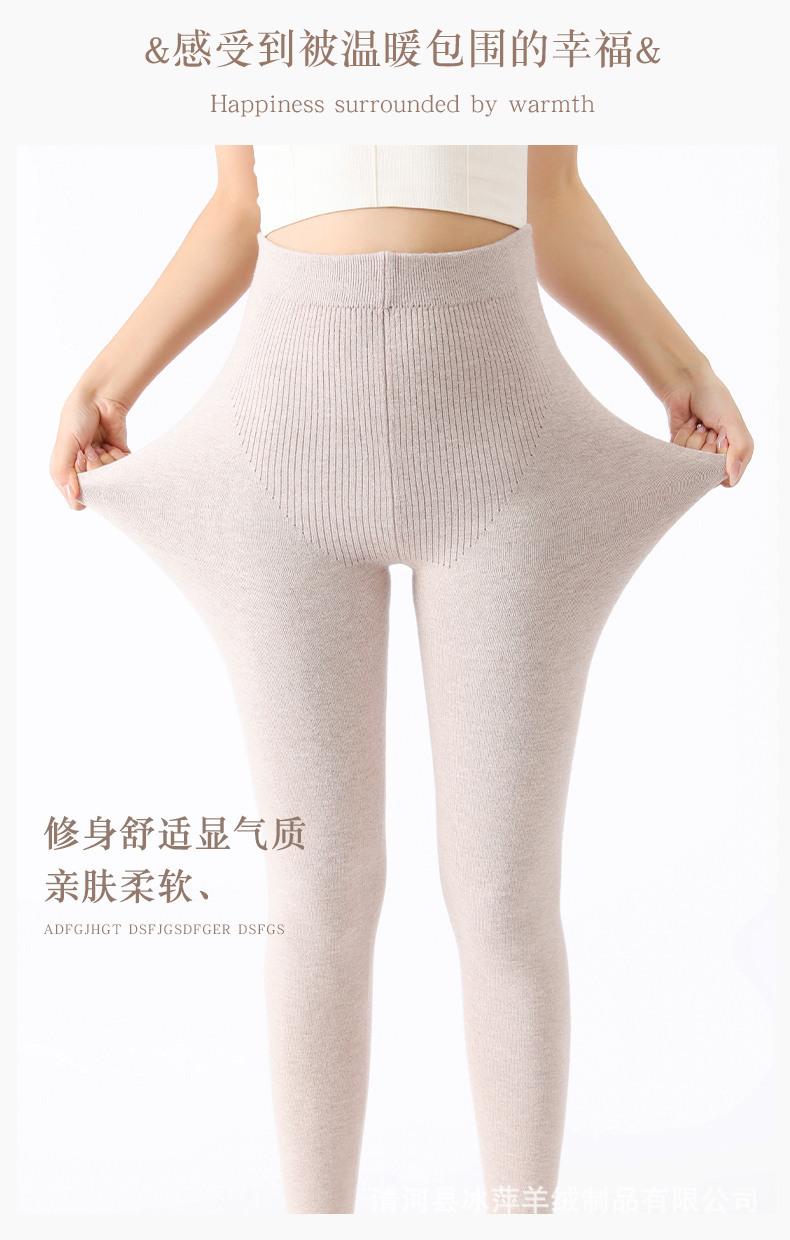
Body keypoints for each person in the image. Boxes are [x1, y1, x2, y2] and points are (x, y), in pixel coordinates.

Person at [49, 145, 753, 1215]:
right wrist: (106, 385)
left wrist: (678, 370)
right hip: (281, 446)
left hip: (504, 447)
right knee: (316, 892)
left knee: (504, 896)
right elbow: (240, 203)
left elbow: (551, 191)